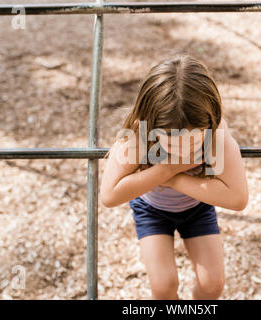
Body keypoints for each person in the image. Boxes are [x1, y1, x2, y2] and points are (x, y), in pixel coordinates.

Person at [100, 54, 249, 300]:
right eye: (171, 143)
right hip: (152, 210)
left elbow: (238, 198)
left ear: (209, 122)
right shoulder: (139, 134)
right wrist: (166, 169)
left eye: (194, 142)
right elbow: (109, 195)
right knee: (164, 285)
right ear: (149, 123)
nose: (183, 152)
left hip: (197, 207)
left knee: (212, 284)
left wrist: (172, 178)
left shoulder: (215, 132)